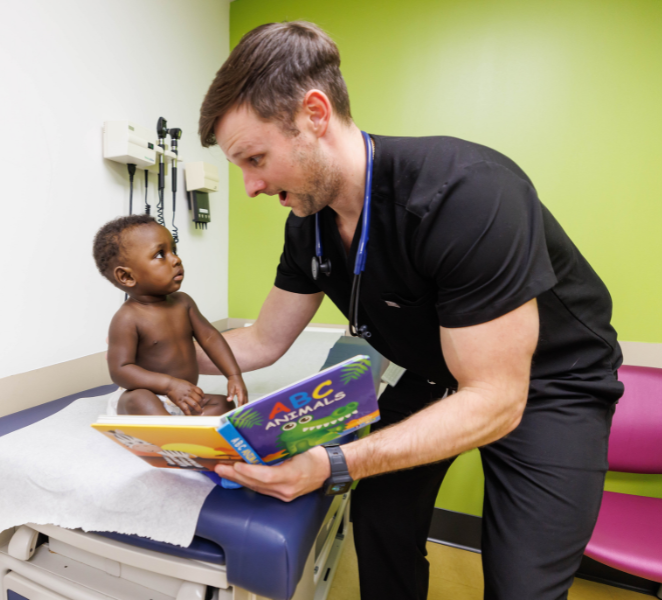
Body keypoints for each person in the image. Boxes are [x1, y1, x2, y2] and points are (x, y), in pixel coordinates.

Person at [195, 21, 623, 600]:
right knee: (381, 520)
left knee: (522, 584)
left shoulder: (468, 194)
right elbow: (262, 341)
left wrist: (333, 463)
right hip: (432, 373)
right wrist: (157, 356)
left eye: (254, 158)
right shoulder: (309, 227)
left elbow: (496, 399)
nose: (249, 186)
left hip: (548, 385)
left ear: (314, 116)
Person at [92, 214, 248, 417]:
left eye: (173, 250)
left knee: (223, 405)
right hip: (148, 397)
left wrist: (233, 374)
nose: (176, 259)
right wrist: (168, 385)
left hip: (183, 398)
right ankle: (173, 431)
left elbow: (210, 338)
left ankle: (177, 430)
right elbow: (120, 370)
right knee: (139, 400)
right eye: (160, 254)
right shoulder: (127, 318)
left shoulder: (183, 303)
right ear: (127, 276)